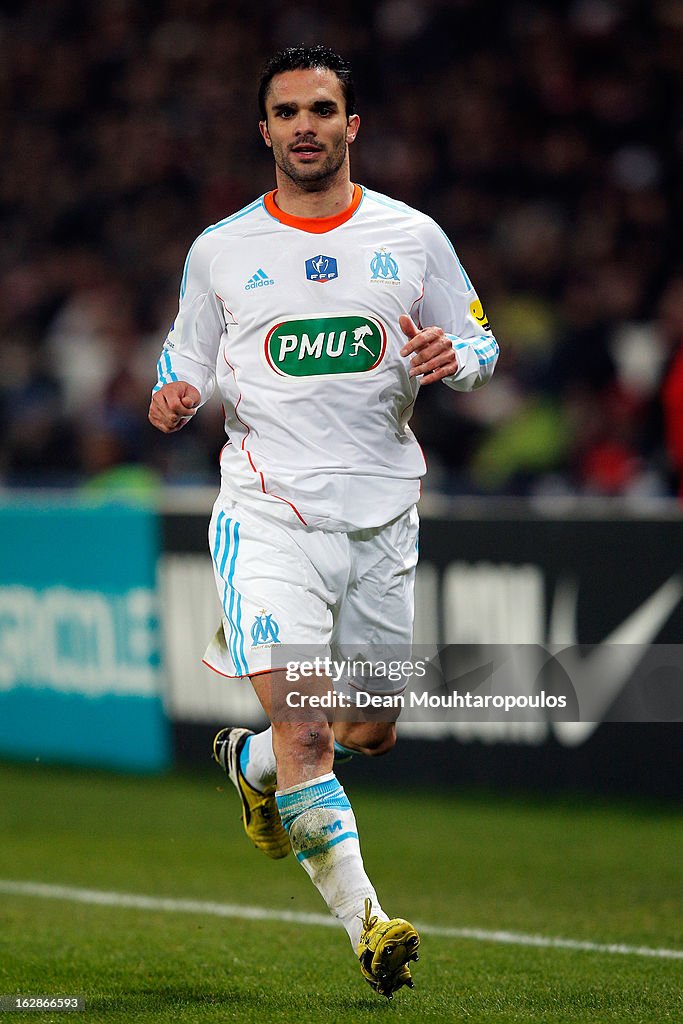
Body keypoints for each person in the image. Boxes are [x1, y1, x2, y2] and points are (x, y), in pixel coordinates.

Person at [149, 44, 498, 998]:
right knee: (306, 726)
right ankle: (370, 927)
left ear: (352, 125)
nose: (305, 125)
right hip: (269, 518)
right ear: (263, 131)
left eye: (322, 108)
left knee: (369, 730)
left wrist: (452, 359)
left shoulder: (412, 236)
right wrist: (174, 395)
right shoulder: (219, 249)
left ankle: (250, 765)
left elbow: (478, 338)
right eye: (287, 111)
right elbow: (180, 362)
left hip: (382, 515)